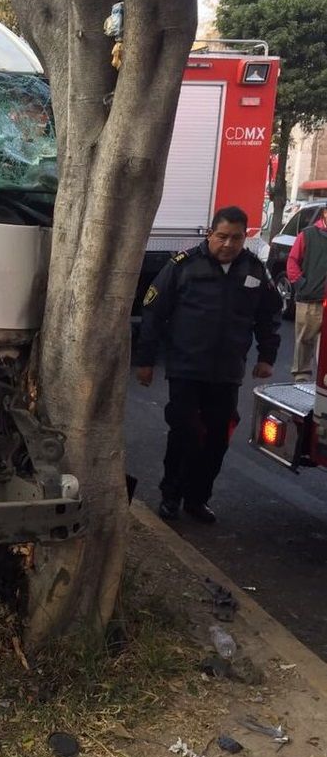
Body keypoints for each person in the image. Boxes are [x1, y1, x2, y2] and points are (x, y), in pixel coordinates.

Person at [134, 206, 282, 524]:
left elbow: (269, 315)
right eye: (222, 236)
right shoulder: (183, 266)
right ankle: (171, 496)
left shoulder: (254, 269)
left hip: (226, 372)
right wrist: (145, 361)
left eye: (236, 238)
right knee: (184, 434)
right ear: (210, 234)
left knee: (217, 440)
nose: (228, 244)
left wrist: (267, 356)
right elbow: (153, 313)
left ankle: (197, 499)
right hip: (186, 368)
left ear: (245, 238)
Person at [287, 205, 327, 382]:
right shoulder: (308, 234)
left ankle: (323, 382)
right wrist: (302, 285)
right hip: (310, 299)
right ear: (325, 213)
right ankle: (301, 379)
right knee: (304, 340)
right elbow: (292, 261)